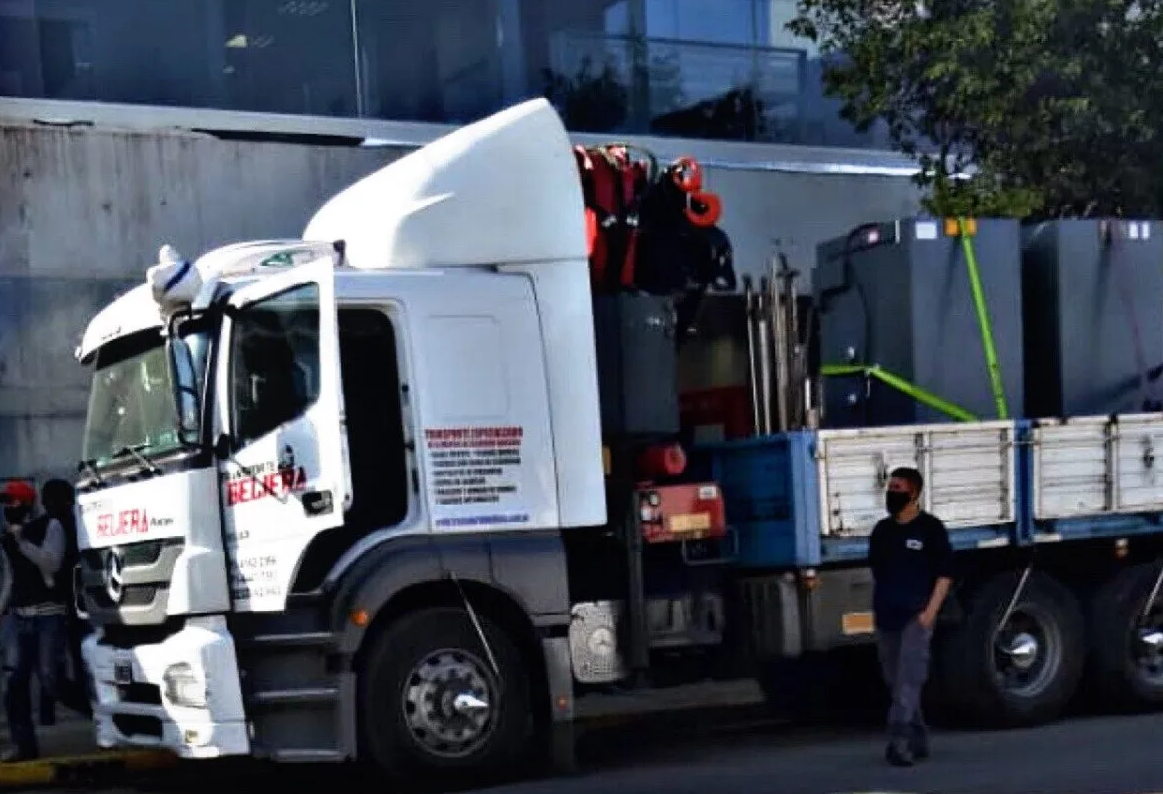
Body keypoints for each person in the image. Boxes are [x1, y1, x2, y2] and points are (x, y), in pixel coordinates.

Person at [868, 467, 953, 767]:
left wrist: (929, 613)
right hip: (886, 615)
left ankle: (899, 740)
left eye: (898, 487)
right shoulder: (882, 531)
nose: (892, 492)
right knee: (895, 680)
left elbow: (944, 575)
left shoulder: (930, 529)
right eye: (890, 487)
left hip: (915, 617)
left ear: (914, 492)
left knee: (909, 678)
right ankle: (919, 736)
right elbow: (877, 571)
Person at [0, 479, 89, 762]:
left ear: (27, 503)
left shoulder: (50, 526)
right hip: (19, 616)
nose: (8, 507)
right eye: (6, 502)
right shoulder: (7, 538)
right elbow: (10, 578)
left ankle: (95, 711)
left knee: (51, 681)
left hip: (48, 615)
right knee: (15, 681)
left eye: (13, 501)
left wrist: (22, 541)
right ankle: (23, 745)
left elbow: (51, 562)